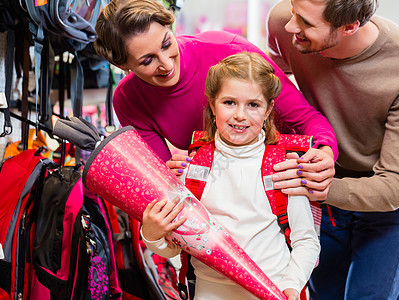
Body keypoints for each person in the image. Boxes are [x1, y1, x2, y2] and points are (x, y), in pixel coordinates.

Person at [266, 0, 399, 299]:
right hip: (323, 176)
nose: (292, 26)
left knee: (369, 295)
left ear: (349, 27)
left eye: (305, 22)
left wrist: (316, 187)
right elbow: (270, 88)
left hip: (386, 192)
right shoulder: (285, 22)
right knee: (323, 292)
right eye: (293, 12)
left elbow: (393, 186)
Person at [93, 0, 338, 202]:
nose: (166, 64)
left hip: (282, 188)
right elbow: (165, 183)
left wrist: (325, 153)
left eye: (167, 44)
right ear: (122, 65)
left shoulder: (226, 50)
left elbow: (307, 119)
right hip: (218, 202)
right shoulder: (128, 100)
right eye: (147, 61)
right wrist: (175, 172)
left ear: (171, 27)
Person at [140, 52, 320, 300]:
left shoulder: (284, 167)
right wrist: (151, 235)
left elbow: (307, 241)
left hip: (274, 288)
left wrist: (292, 284)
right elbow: (173, 249)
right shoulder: (190, 169)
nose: (240, 115)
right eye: (229, 102)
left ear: (269, 110)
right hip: (209, 292)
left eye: (253, 105)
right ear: (212, 104)